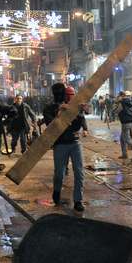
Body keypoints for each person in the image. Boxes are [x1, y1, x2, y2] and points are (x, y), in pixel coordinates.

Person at [43, 83, 88, 212]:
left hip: (75, 142)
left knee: (79, 172)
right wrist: (59, 113)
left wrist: (78, 112)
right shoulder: (49, 108)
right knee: (59, 174)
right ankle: (56, 192)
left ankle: (78, 200)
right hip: (60, 144)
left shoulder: (72, 107)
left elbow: (77, 125)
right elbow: (51, 125)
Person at [117, 90, 132, 162]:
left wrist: (116, 105)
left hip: (125, 122)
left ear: (121, 96)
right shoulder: (131, 101)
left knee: (126, 138)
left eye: (119, 96)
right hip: (131, 121)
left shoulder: (122, 103)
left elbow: (117, 111)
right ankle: (124, 154)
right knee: (122, 138)